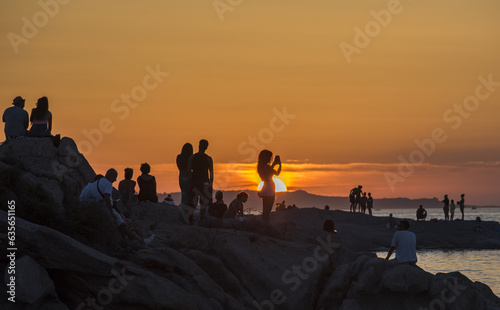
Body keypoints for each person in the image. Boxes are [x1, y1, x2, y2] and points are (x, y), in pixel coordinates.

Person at [79, 169, 154, 245]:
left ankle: (131, 239)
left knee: (122, 224)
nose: (115, 180)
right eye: (115, 177)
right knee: (123, 225)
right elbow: (107, 197)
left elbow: (83, 198)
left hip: (91, 208)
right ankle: (142, 241)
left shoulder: (90, 185)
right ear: (110, 175)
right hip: (105, 209)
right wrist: (111, 212)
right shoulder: (108, 183)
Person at [188, 139, 214, 221]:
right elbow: (211, 173)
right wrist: (210, 184)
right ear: (206, 147)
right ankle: (201, 218)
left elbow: (189, 170)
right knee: (203, 202)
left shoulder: (192, 157)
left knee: (193, 200)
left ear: (199, 145)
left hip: (194, 181)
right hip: (204, 182)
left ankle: (191, 217)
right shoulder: (209, 159)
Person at [257, 150, 282, 222]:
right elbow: (277, 173)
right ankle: (266, 225)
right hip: (270, 187)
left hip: (265, 187)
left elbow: (269, 172)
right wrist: (279, 164)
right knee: (268, 210)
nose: (271, 159)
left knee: (265, 210)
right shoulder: (267, 167)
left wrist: (274, 164)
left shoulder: (260, 167)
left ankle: (264, 224)